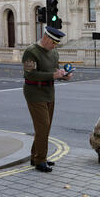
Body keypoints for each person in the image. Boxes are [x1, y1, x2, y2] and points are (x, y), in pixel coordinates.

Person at [23, 26, 73, 173]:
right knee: (43, 126)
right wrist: (53, 76)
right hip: (34, 92)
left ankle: (36, 156)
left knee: (44, 127)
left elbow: (55, 71)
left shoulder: (53, 52)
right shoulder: (31, 52)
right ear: (45, 38)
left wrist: (64, 76)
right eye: (53, 43)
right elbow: (30, 75)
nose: (55, 46)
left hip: (49, 92)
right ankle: (40, 160)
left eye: (56, 43)